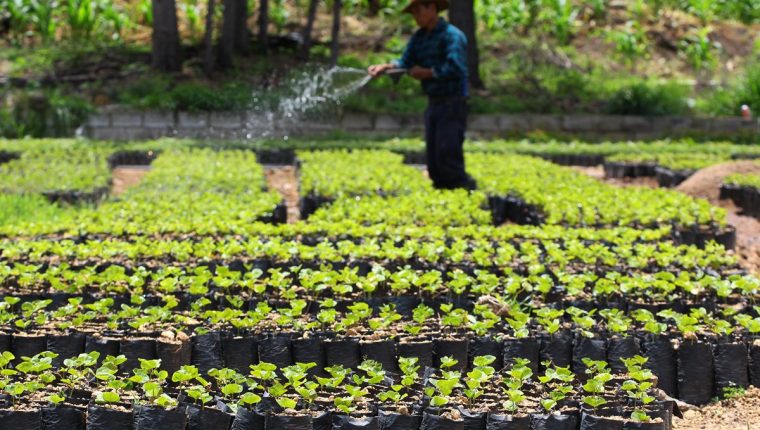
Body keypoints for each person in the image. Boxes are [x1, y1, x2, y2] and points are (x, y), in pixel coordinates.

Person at [368, 0, 476, 190]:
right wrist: (387, 67)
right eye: (414, 12)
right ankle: (443, 194)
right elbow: (405, 61)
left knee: (448, 153)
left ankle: (465, 193)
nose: (416, 16)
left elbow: (455, 67)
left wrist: (428, 73)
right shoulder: (420, 37)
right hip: (434, 103)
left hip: (453, 102)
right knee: (434, 159)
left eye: (419, 10)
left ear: (432, 8)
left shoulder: (452, 36)